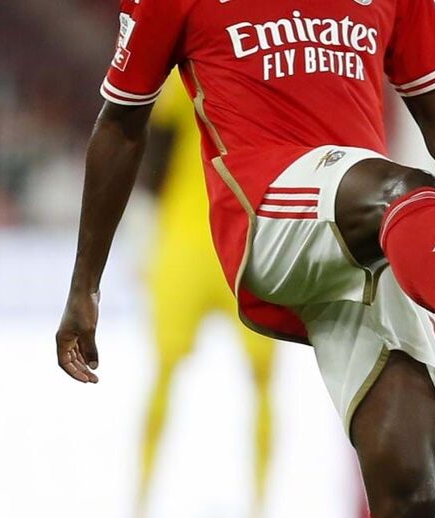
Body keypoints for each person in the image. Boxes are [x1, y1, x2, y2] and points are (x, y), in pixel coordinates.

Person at [56, 2, 435, 515]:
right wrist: (85, 286)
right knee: (404, 187)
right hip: (266, 214)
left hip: (367, 232)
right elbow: (122, 124)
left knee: (410, 489)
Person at [136, 72, 275, 516]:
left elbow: (153, 155)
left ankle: (257, 503)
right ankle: (143, 499)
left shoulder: (192, 76)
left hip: (211, 244)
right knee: (174, 370)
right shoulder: (193, 75)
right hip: (233, 245)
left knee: (174, 370)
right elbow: (156, 149)